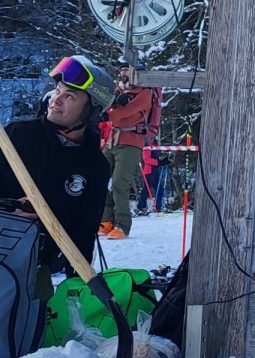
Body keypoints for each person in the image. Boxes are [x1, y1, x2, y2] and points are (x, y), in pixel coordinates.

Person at [0, 56, 113, 305]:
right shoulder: (18, 136)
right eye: (58, 91)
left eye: (69, 96)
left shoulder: (95, 166)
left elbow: (84, 233)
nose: (56, 100)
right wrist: (7, 208)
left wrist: (79, 290)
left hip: (34, 270)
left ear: (91, 110)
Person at [100, 66, 155, 239]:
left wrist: (109, 114)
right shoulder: (118, 89)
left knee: (119, 183)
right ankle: (106, 219)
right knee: (98, 177)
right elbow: (105, 104)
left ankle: (122, 224)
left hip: (131, 141)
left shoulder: (145, 92)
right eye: (122, 69)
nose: (124, 73)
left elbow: (127, 113)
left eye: (128, 69)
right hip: (112, 140)